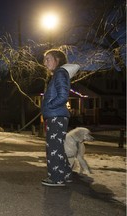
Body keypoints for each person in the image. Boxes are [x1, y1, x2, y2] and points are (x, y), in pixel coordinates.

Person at [41, 49, 77, 187]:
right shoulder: (58, 74)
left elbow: (62, 96)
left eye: (48, 59)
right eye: (44, 59)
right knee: (58, 147)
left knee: (53, 147)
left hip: (56, 115)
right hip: (57, 115)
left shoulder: (60, 73)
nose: (45, 62)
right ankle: (66, 174)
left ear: (58, 60)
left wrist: (49, 106)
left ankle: (56, 178)